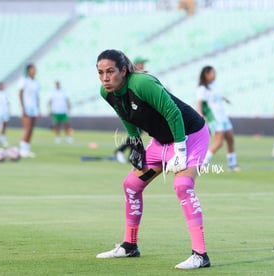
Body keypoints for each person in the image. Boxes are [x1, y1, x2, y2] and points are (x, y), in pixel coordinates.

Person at [95, 49, 211, 270]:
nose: (105, 78)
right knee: (131, 185)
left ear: (124, 70)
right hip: (161, 141)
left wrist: (180, 151)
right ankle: (129, 246)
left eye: (110, 71)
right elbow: (124, 113)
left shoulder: (142, 83)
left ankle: (200, 255)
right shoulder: (106, 92)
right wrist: (136, 143)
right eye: (100, 73)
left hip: (190, 136)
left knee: (182, 186)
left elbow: (173, 113)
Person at [196, 66, 240, 171]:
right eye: (212, 73)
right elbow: (199, 103)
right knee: (219, 142)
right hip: (214, 117)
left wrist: (225, 99)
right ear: (206, 74)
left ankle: (232, 164)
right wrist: (200, 115)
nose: (214, 75)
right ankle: (203, 162)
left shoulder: (214, 85)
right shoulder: (202, 88)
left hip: (222, 116)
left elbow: (217, 96)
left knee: (230, 139)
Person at [114, 56, 149, 163]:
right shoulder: (133, 77)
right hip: (134, 108)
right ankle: (121, 150)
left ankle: (130, 154)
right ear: (136, 64)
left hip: (141, 108)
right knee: (136, 132)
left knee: (138, 131)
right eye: (141, 63)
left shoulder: (141, 76)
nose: (143, 65)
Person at [19, 64, 41, 158]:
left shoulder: (36, 82)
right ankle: (22, 149)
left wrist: (38, 108)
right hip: (27, 107)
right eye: (33, 69)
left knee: (31, 128)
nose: (35, 70)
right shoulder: (24, 81)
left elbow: (36, 96)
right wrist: (23, 107)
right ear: (28, 70)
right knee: (27, 128)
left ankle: (27, 149)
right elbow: (20, 93)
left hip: (34, 108)